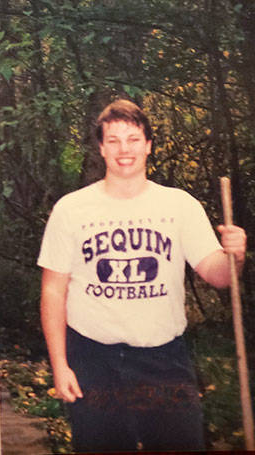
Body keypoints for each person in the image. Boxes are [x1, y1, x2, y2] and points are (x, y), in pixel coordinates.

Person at [38, 99, 247, 452]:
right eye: (114, 140)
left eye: (133, 139)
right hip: (93, 359)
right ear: (102, 148)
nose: (125, 150)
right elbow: (53, 292)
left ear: (149, 145)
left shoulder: (179, 206)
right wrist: (60, 365)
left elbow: (218, 276)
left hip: (163, 360)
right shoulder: (71, 209)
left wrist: (235, 256)